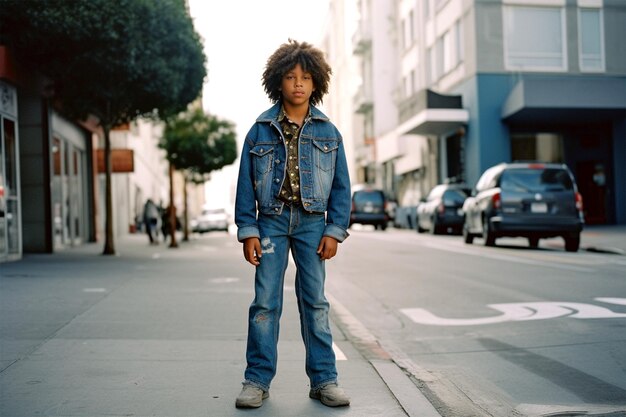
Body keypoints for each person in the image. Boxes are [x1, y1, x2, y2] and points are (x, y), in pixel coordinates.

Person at [234, 39, 352, 409]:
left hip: (312, 226)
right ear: (278, 82)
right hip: (269, 223)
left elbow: (342, 188)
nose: (298, 83)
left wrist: (335, 231)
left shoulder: (329, 133)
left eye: (305, 77)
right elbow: (243, 185)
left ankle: (324, 380)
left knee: (315, 301)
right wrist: (248, 230)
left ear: (316, 82)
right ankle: (256, 381)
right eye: (290, 77)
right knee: (265, 303)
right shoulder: (259, 129)